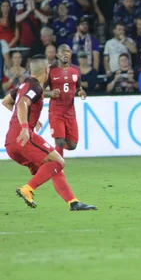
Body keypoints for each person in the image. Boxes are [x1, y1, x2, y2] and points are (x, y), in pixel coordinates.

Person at [2, 54, 96, 211]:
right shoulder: (36, 87)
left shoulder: (23, 85)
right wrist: (25, 126)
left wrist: (29, 117)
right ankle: (28, 189)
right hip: (23, 137)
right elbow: (23, 104)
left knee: (53, 166)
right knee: (59, 162)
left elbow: (6, 101)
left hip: (11, 143)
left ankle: (73, 202)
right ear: (46, 70)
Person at [46, 44, 86, 158]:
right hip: (56, 111)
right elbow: (40, 89)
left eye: (68, 51)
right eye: (63, 52)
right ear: (57, 55)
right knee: (59, 141)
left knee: (73, 145)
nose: (65, 54)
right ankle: (57, 169)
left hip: (70, 111)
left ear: (71, 53)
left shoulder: (76, 69)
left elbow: (78, 86)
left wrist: (80, 92)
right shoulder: (51, 70)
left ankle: (54, 152)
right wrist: (49, 93)